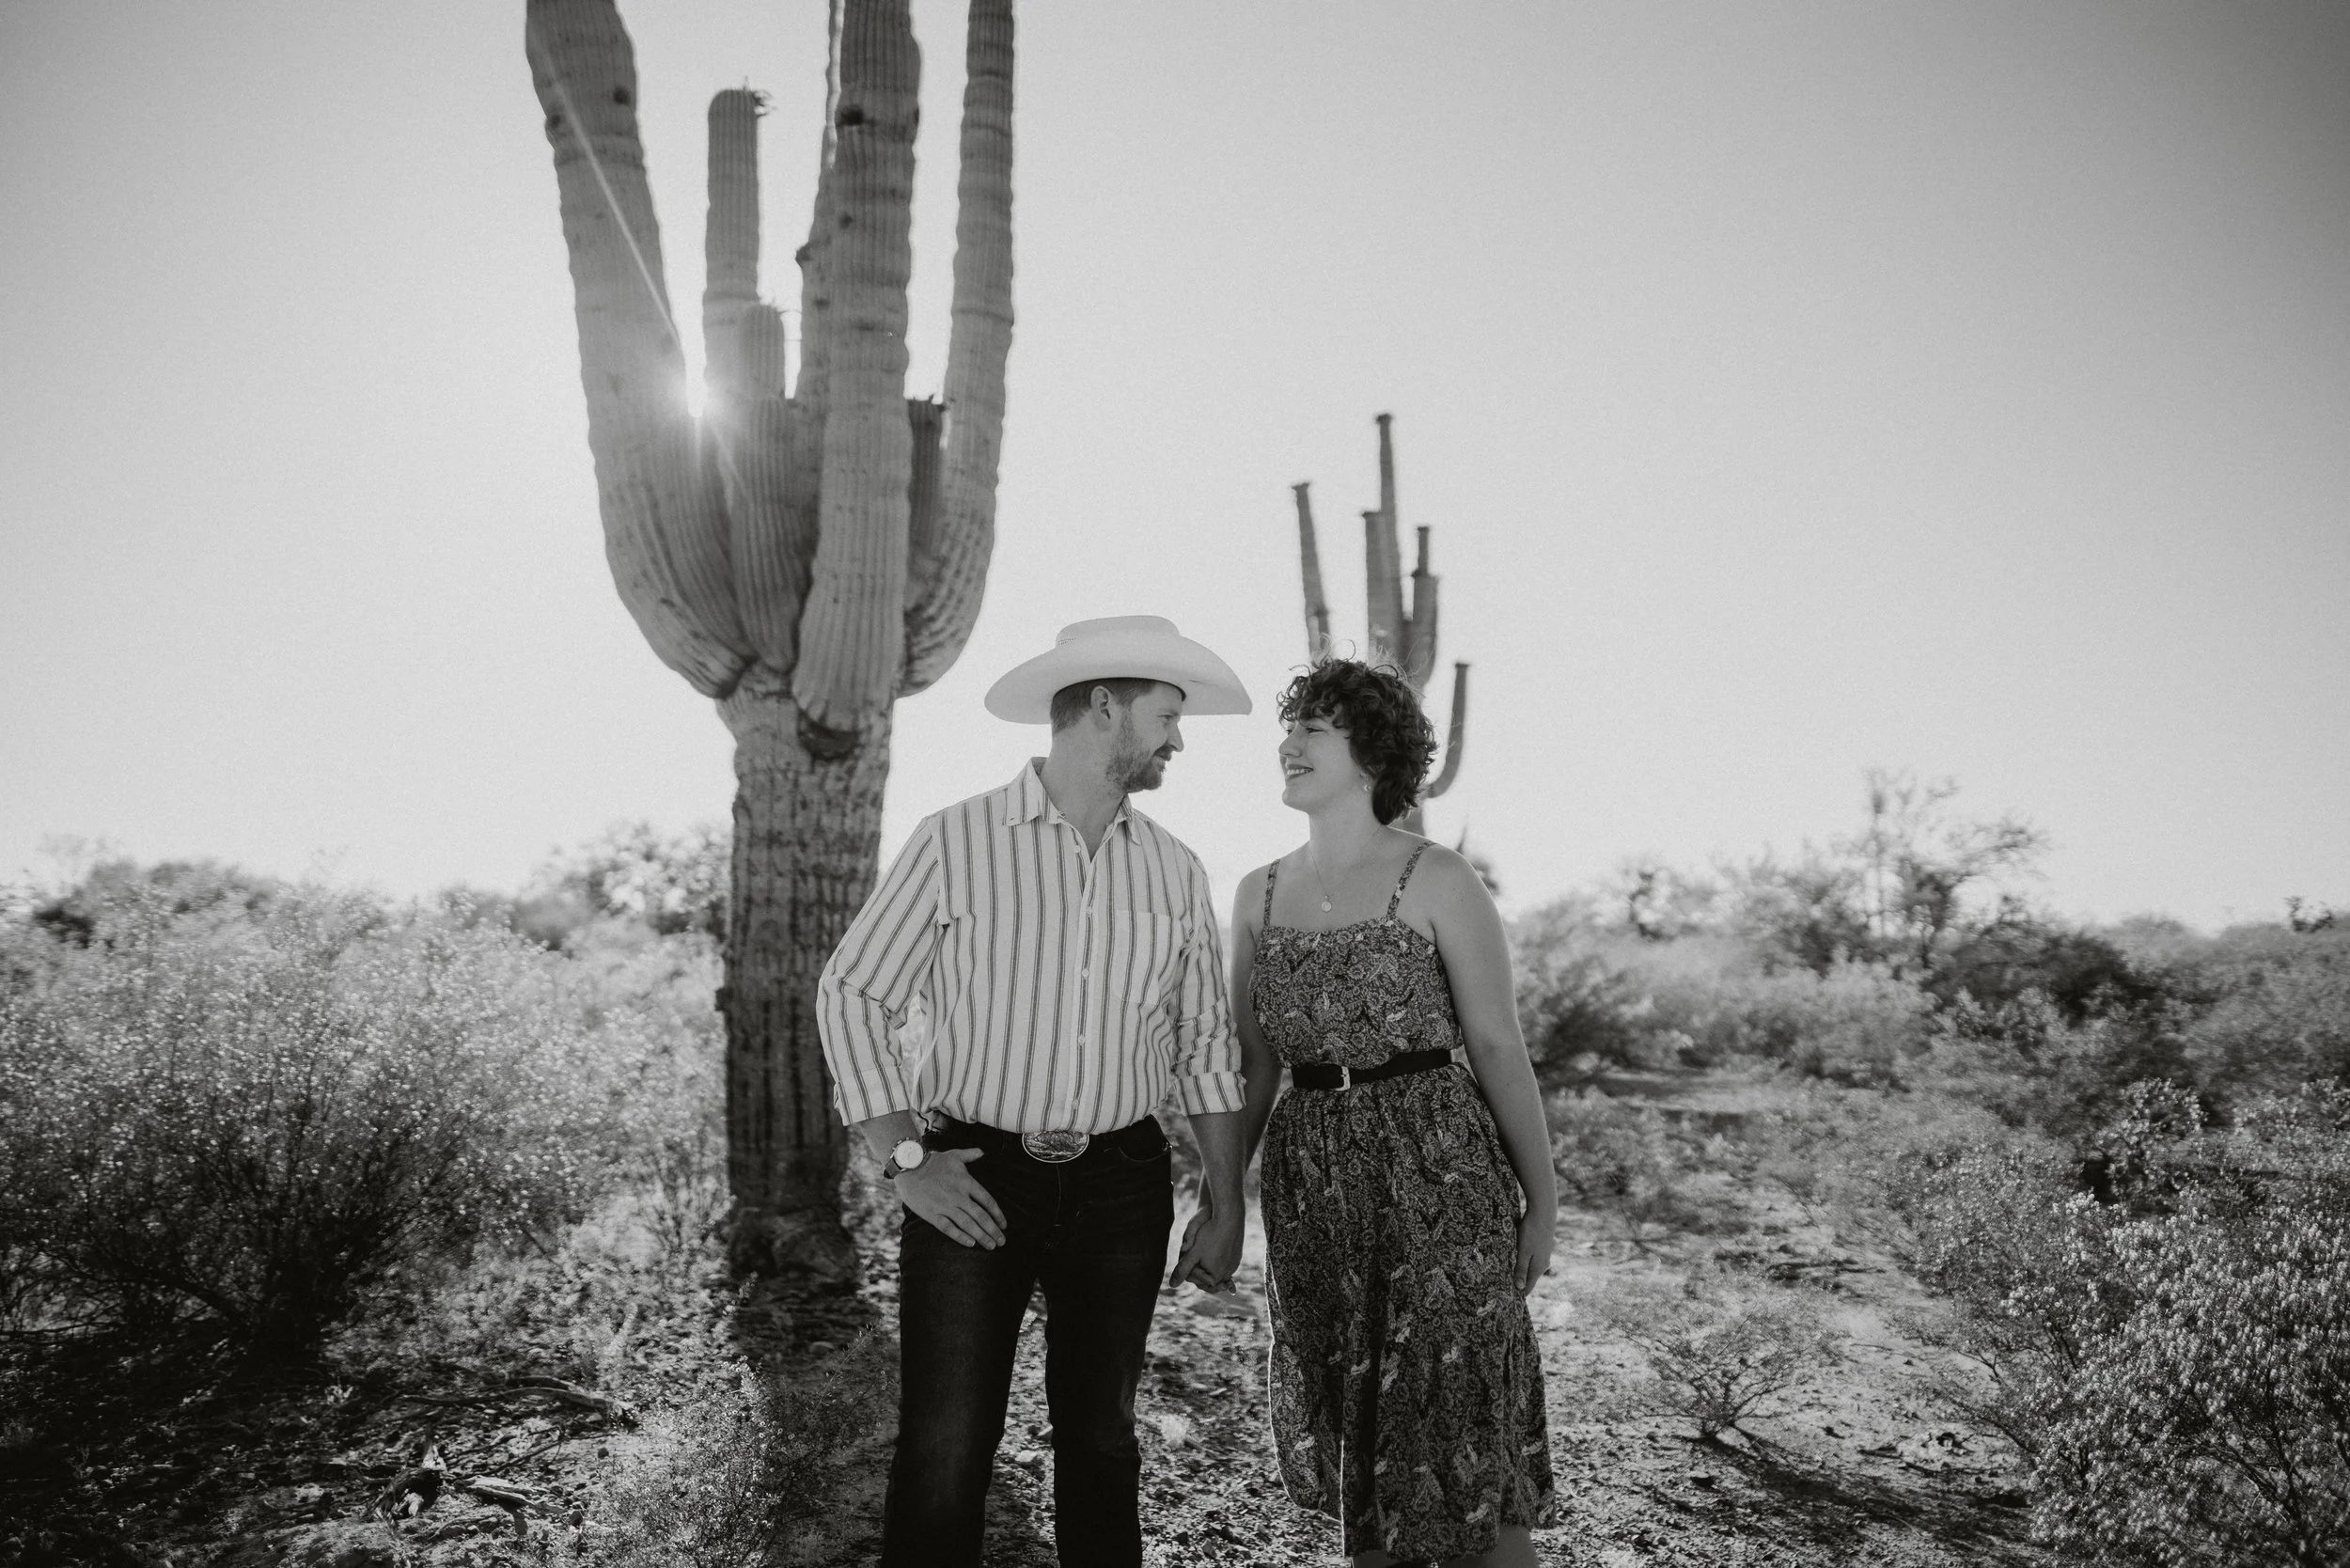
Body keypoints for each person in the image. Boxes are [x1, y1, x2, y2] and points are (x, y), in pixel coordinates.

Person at [818, 615, 1255, 1568]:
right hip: (974, 1176)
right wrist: (904, 1163)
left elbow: (1205, 1044)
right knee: (945, 1446)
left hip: (1123, 1184)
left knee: (1103, 1440)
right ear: (1102, 706)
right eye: (1167, 715)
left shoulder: (1176, 869)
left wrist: (1226, 1202)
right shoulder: (956, 841)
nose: (1179, 740)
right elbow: (851, 992)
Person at [1230, 657, 1559, 1568]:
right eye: (1288, 728)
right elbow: (1253, 1063)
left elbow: (1496, 1048)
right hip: (1312, 1181)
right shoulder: (1256, 893)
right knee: (1356, 1424)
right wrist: (1222, 1195)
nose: (1289, 745)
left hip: (1436, 1166)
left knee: (1458, 1417)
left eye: (1314, 730)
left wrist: (1543, 1200)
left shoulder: (1437, 877)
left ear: (1371, 753)